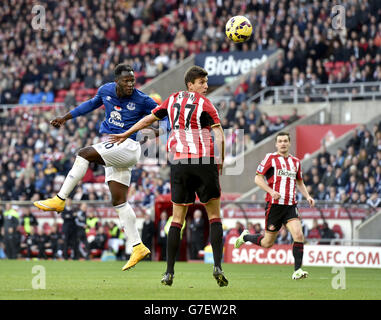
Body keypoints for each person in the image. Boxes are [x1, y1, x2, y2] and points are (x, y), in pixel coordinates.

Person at [109, 65, 228, 287]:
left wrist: (126, 133)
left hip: (180, 163)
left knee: (177, 218)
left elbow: (148, 120)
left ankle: (169, 272)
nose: (206, 86)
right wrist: (219, 162)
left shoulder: (172, 99)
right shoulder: (206, 104)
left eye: (206, 82)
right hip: (204, 161)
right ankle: (217, 266)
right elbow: (219, 133)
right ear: (190, 84)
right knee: (214, 215)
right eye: (202, 82)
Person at [33, 64, 157, 271]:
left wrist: (156, 133)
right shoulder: (105, 91)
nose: (130, 84)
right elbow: (89, 105)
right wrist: (65, 117)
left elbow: (165, 117)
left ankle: (60, 199)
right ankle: (138, 246)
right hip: (115, 147)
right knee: (119, 202)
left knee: (83, 153)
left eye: (132, 80)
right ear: (116, 80)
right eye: (126, 80)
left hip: (127, 146)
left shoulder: (142, 99)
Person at [235, 131, 315, 280]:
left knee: (298, 235)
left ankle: (297, 270)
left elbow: (299, 182)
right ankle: (246, 237)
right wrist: (271, 191)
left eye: (285, 141)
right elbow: (257, 179)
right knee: (267, 243)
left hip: (290, 205)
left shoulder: (296, 162)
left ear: (289, 143)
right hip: (275, 206)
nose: (283, 143)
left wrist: (308, 196)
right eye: (280, 141)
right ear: (276, 144)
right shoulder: (270, 158)